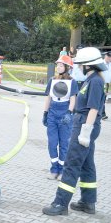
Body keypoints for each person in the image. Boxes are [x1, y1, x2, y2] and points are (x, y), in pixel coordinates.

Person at [42, 47, 107, 216]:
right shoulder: (91, 79)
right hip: (84, 124)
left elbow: (93, 109)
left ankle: (60, 204)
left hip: (86, 125)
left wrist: (85, 132)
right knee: (86, 164)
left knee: (71, 164)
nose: (78, 67)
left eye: (80, 65)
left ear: (88, 65)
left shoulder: (95, 82)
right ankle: (87, 202)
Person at [42, 55, 79, 180]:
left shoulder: (72, 81)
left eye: (61, 65)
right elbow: (48, 97)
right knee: (52, 143)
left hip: (65, 113)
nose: (58, 67)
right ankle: (54, 169)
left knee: (64, 144)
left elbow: (73, 99)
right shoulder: (52, 80)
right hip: (52, 113)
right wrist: (45, 113)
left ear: (67, 67)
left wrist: (69, 112)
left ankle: (62, 170)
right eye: (58, 64)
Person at [101, 51, 110, 120]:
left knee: (103, 99)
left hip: (107, 84)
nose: (109, 58)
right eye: (108, 56)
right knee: (101, 99)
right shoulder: (101, 63)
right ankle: (102, 114)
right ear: (105, 56)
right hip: (101, 83)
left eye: (110, 57)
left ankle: (101, 113)